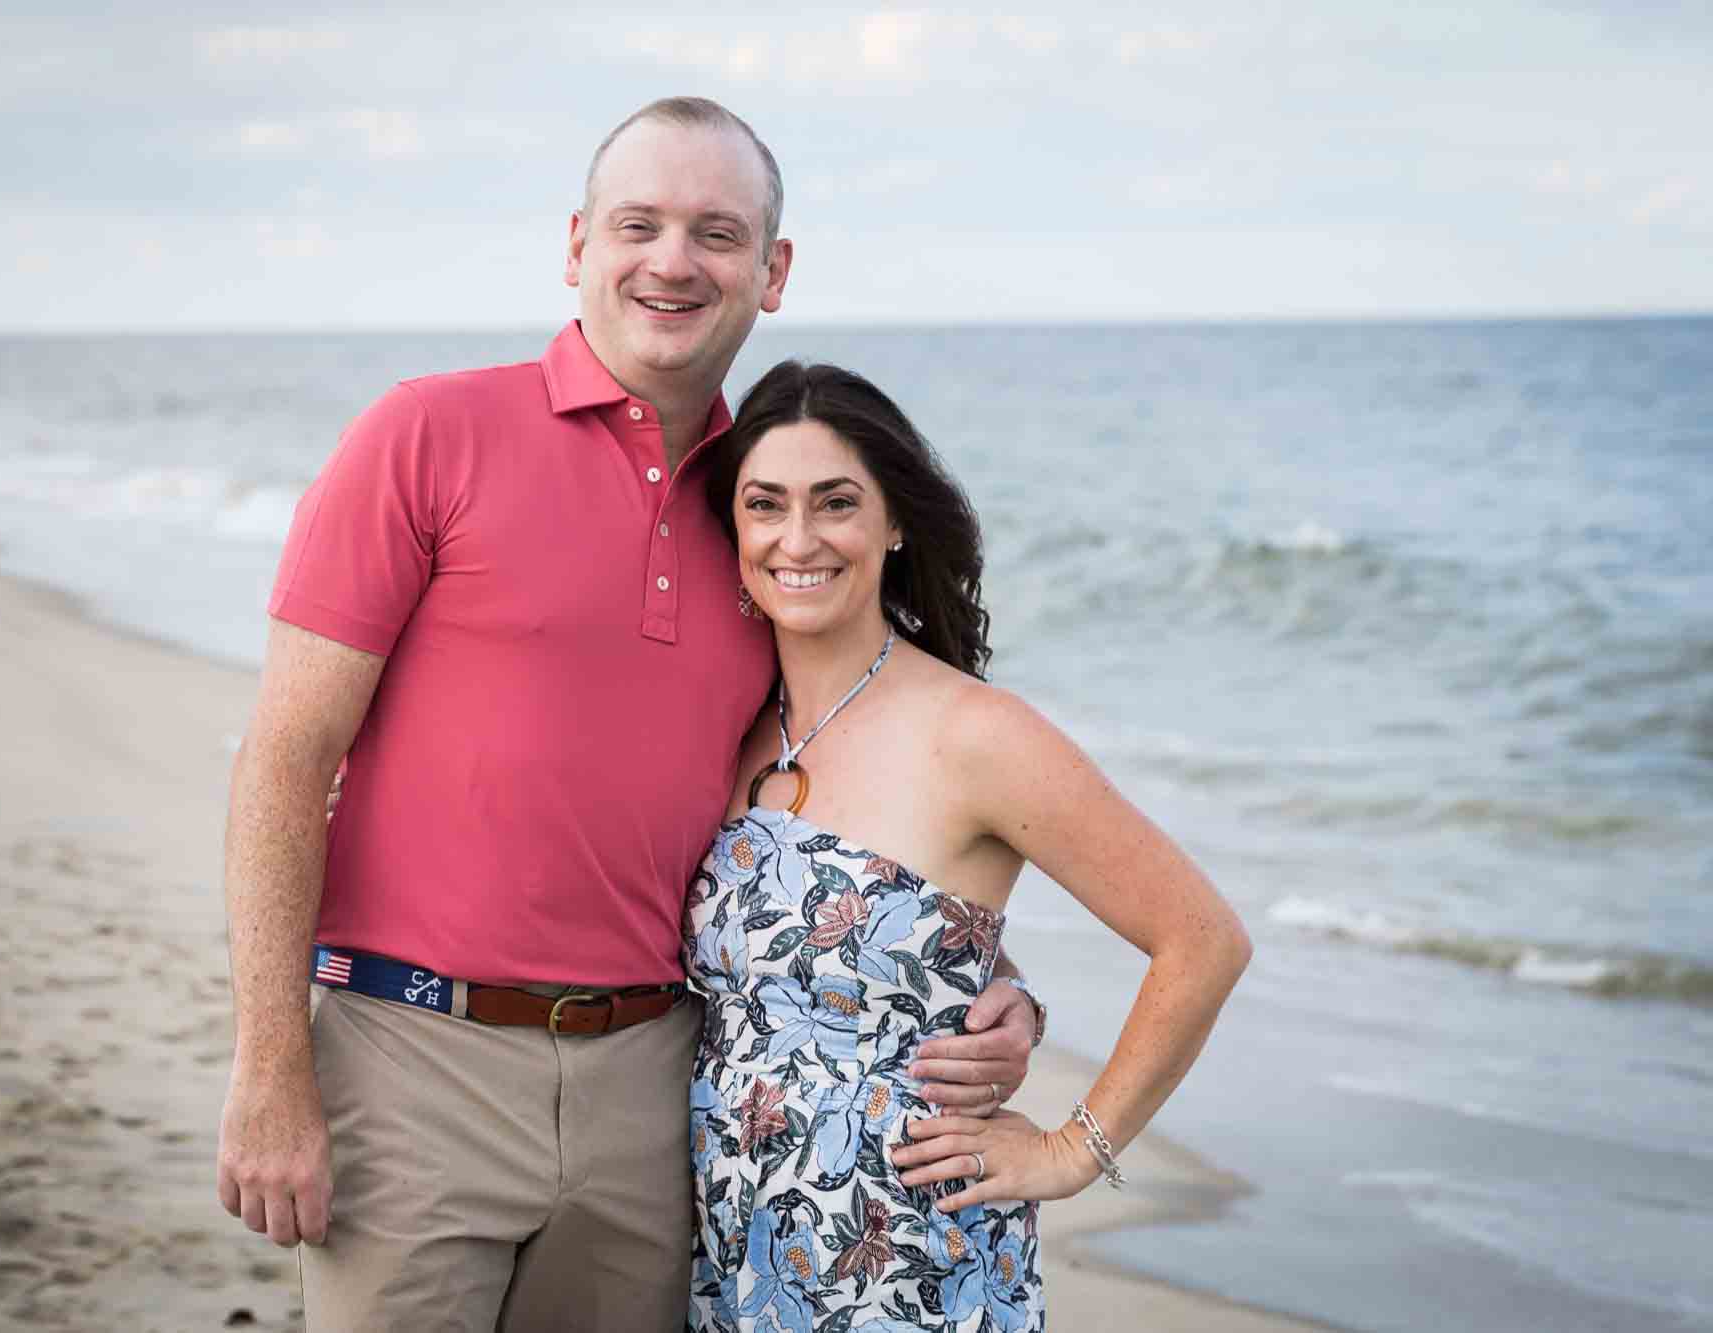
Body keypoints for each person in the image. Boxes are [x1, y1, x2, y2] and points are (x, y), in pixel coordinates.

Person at [216, 97, 1044, 1331]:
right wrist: (271, 1070)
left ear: (772, 271)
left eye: (716, 232)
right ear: (575, 246)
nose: (672, 260)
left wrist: (976, 979)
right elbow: (285, 760)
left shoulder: (766, 513)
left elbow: (831, 781)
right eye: (638, 224)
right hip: (409, 1057)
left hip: (661, 1085)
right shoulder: (423, 434)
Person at [683, 361, 1253, 1330]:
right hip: (732, 1250)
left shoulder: (975, 733)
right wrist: (1010, 989)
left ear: (894, 521)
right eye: (764, 504)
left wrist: (1073, 1149)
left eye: (835, 503)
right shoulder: (730, 725)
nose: (797, 538)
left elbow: (1201, 939)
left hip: (905, 1261)